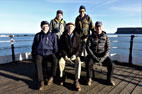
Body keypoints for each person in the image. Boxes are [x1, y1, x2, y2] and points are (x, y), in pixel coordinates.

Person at [86, 21, 115, 86]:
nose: (98, 28)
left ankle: (109, 79)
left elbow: (108, 48)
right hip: (93, 55)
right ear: (95, 28)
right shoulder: (90, 37)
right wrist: (94, 57)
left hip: (102, 55)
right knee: (88, 63)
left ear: (102, 27)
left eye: (100, 27)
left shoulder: (105, 37)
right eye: (97, 27)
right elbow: (88, 47)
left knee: (112, 65)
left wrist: (103, 58)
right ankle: (89, 78)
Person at [32, 21, 58, 90]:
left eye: (46, 26)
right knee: (37, 60)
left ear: (49, 27)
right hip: (40, 53)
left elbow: (55, 47)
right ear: (41, 27)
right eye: (43, 26)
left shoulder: (53, 35)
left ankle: (51, 76)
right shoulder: (37, 35)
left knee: (55, 60)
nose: (45, 27)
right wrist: (33, 55)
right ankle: (41, 81)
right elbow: (34, 46)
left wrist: (55, 54)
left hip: (49, 53)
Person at [58, 22, 82, 91]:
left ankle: (76, 80)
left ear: (74, 28)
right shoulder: (63, 36)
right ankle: (62, 77)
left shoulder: (77, 36)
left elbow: (79, 48)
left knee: (78, 62)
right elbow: (61, 47)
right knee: (60, 62)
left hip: (74, 55)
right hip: (66, 55)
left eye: (71, 27)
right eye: (68, 27)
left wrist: (75, 55)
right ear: (66, 28)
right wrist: (64, 55)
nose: (70, 28)